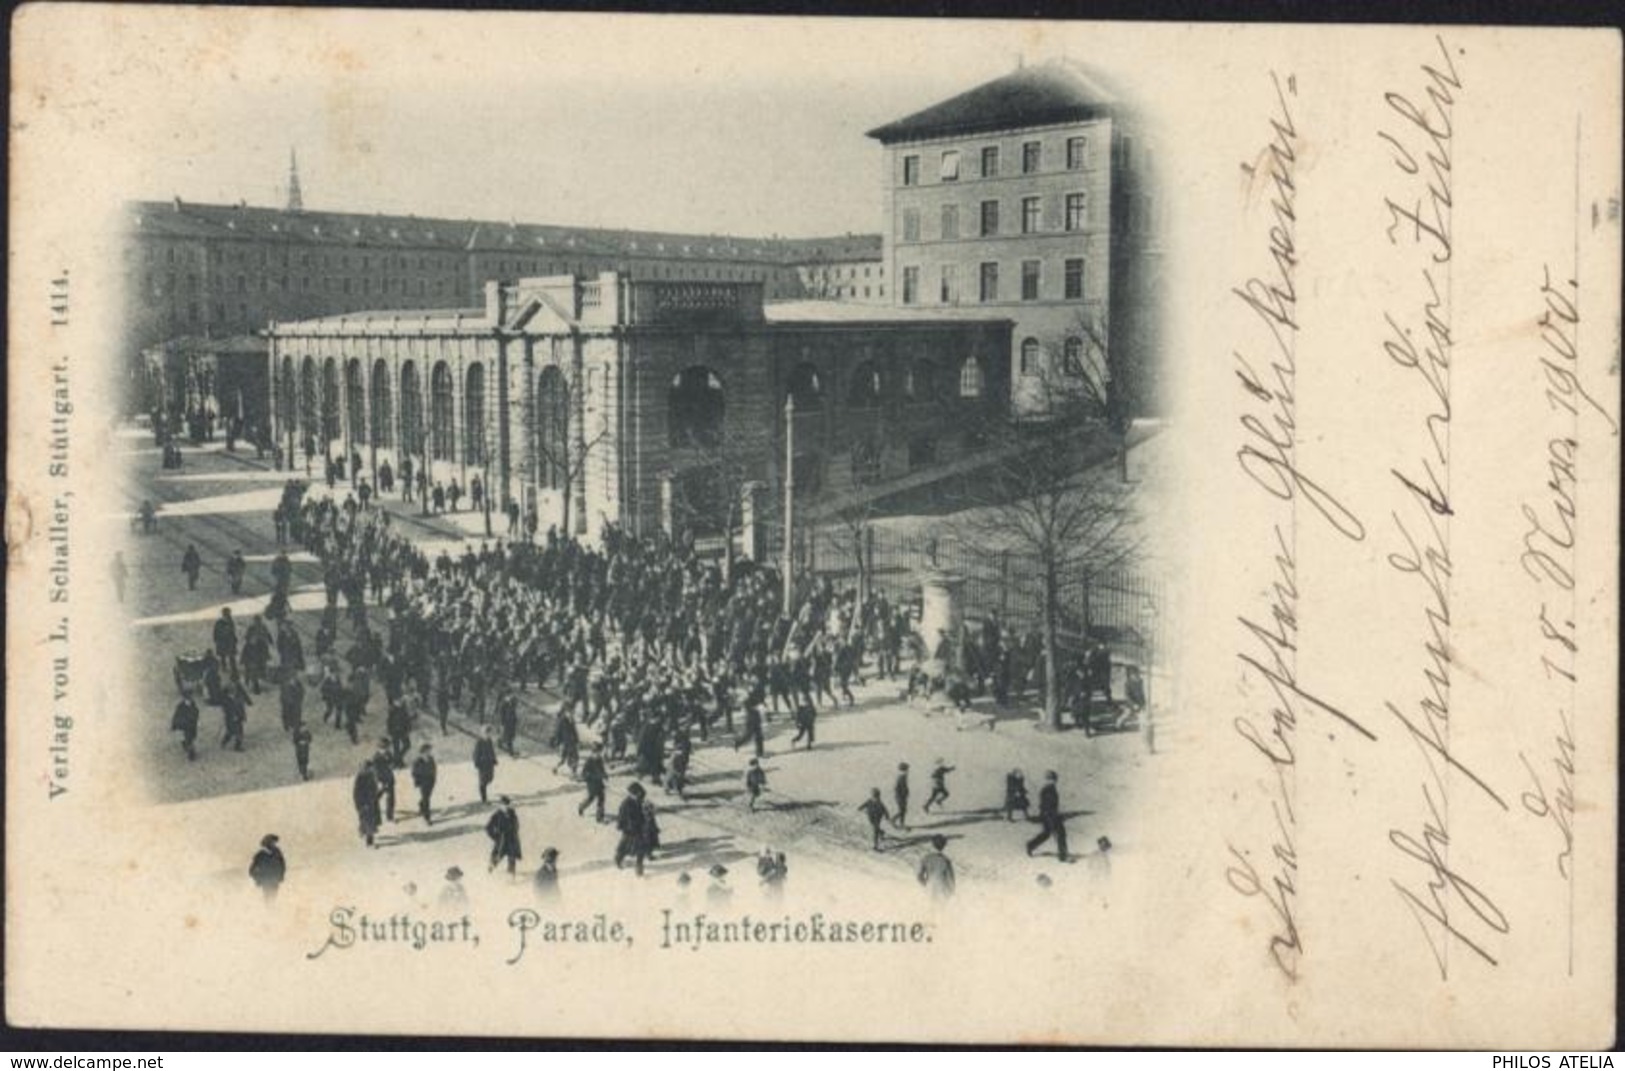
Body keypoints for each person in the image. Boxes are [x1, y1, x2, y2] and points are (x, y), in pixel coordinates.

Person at [1026, 770, 1070, 862]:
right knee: (1060, 833)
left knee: (1046, 834)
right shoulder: (1047, 790)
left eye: (1054, 779)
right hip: (1049, 816)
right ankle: (1063, 856)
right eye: (1050, 779)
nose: (1053, 781)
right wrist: (1049, 816)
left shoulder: (1051, 788)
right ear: (1047, 780)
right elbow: (1045, 805)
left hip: (1049, 815)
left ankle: (1030, 845)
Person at [614, 782, 650, 876]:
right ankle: (618, 859)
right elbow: (622, 818)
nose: (639, 796)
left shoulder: (638, 800)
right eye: (637, 794)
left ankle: (639, 868)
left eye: (640, 794)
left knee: (640, 849)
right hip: (629, 830)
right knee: (624, 847)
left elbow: (641, 814)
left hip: (638, 829)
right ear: (632, 794)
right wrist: (627, 827)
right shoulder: (626, 804)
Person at [486, 796, 522, 876]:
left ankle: (511, 874)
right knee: (498, 856)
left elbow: (516, 824)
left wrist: (515, 832)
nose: (505, 807)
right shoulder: (497, 815)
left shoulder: (512, 813)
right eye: (503, 805)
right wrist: (495, 837)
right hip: (501, 839)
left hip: (511, 839)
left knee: (512, 857)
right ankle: (491, 867)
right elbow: (488, 827)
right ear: (500, 805)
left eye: (507, 805)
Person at [249, 834, 287, 902]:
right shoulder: (260, 854)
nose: (274, 844)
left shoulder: (277, 852)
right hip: (266, 881)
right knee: (268, 899)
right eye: (272, 842)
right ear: (267, 844)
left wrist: (281, 876)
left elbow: (282, 865)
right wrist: (258, 879)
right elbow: (252, 870)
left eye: (274, 842)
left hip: (275, 880)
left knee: (273, 897)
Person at [917, 834, 956, 900]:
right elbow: (950, 879)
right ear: (944, 846)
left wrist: (925, 884)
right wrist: (951, 892)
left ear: (932, 844)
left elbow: (920, 876)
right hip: (942, 889)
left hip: (929, 886)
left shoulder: (926, 858)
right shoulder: (945, 860)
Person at [352, 761, 382, 848]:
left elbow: (374, 791)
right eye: (369, 768)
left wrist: (380, 792)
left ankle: (362, 831)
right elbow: (356, 793)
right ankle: (369, 843)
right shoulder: (360, 778)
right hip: (364, 804)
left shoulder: (371, 777)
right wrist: (360, 804)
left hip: (371, 803)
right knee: (369, 824)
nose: (372, 770)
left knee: (367, 822)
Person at [578, 743, 608, 822]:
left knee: (602, 798)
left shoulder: (600, 759)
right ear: (593, 752)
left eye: (599, 752)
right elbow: (584, 773)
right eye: (596, 753)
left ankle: (599, 816)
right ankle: (581, 806)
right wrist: (593, 776)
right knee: (591, 798)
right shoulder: (589, 761)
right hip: (592, 784)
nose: (598, 754)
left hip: (599, 783)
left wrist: (605, 775)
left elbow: (602, 769)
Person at [411, 743, 438, 825]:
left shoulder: (431, 759)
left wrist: (433, 778)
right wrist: (417, 782)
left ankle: (421, 805)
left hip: (430, 781)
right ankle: (427, 818)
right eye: (428, 751)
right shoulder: (417, 761)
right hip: (423, 782)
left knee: (427, 797)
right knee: (426, 799)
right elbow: (414, 772)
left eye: (430, 751)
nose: (429, 752)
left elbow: (434, 768)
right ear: (423, 752)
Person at [473, 725, 499, 804]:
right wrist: (477, 762)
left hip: (489, 763)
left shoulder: (489, 741)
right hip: (483, 764)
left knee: (490, 778)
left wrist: (494, 759)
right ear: (483, 733)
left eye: (490, 733)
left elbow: (492, 751)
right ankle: (484, 799)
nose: (489, 735)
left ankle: (483, 790)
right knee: (483, 782)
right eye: (487, 733)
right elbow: (476, 753)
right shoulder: (479, 742)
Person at [171, 690, 200, 761]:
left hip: (192, 725)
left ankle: (187, 747)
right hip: (185, 725)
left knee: (191, 737)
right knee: (189, 738)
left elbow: (196, 712)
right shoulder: (181, 706)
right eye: (188, 697)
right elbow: (177, 715)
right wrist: (174, 724)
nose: (190, 698)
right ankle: (191, 753)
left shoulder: (193, 704)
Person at [213, 608, 240, 680]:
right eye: (227, 613)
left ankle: (233, 669)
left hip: (229, 641)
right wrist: (217, 639)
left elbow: (232, 631)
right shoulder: (220, 622)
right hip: (223, 641)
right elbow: (216, 632)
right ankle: (224, 667)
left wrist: (234, 638)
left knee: (231, 655)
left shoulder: (230, 621)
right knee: (223, 655)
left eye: (229, 613)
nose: (228, 615)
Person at [892, 761, 911, 830]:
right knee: (902, 810)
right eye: (907, 769)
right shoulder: (902, 777)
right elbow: (898, 788)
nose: (908, 771)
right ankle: (894, 820)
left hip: (901, 797)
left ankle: (900, 823)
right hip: (900, 797)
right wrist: (904, 795)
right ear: (904, 770)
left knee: (903, 810)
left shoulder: (902, 776)